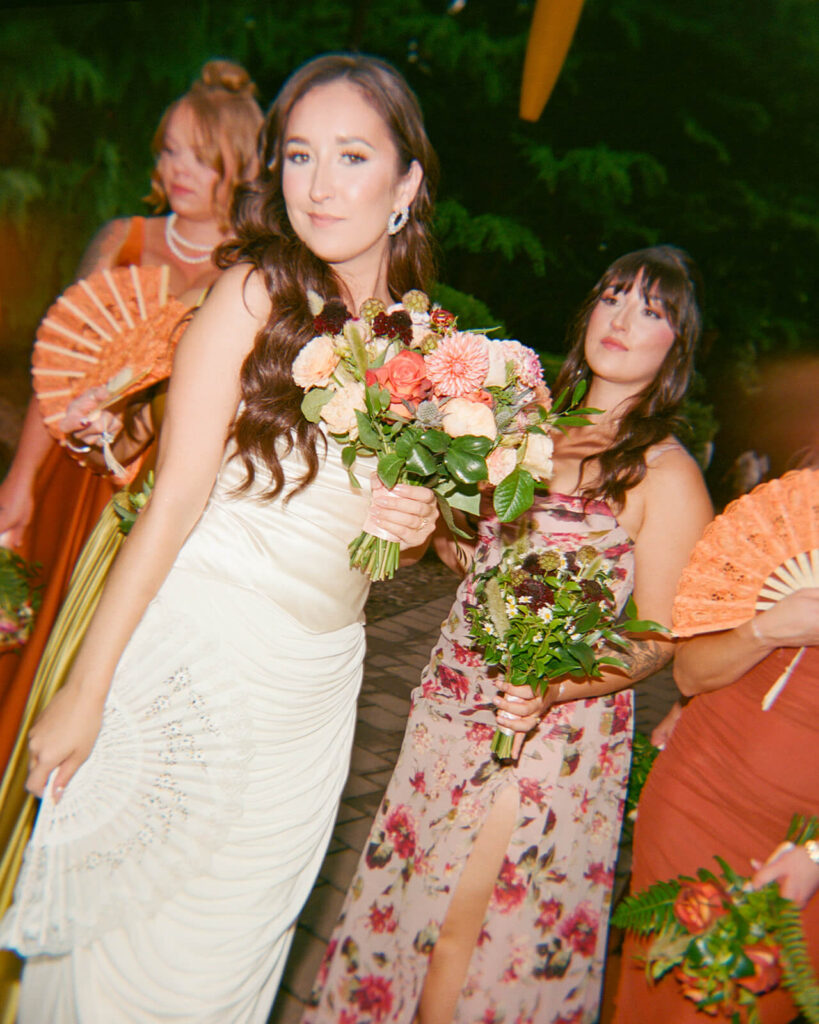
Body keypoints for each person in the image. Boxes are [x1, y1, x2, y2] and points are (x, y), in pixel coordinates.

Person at [0, 53, 440, 1023]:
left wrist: (408, 527)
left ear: (406, 182)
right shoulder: (250, 296)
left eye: (353, 156)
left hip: (314, 694)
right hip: (198, 656)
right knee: (127, 954)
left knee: (231, 962)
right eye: (298, 156)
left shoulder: (418, 343)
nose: (320, 186)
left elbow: (372, 535)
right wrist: (85, 687)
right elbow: (172, 499)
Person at [303, 245, 714, 1024]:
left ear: (675, 348)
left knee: (468, 925)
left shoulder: (664, 473)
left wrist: (556, 683)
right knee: (409, 901)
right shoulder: (521, 425)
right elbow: (468, 552)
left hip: (548, 731)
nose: (623, 319)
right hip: (448, 703)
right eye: (613, 296)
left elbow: (657, 639)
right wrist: (416, 503)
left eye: (651, 311)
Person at [0, 59, 264, 772]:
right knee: (30, 636)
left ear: (238, 166)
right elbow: (58, 369)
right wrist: (21, 481)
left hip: (156, 496)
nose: (178, 169)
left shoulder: (249, 276)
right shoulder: (123, 239)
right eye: (169, 149)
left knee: (109, 654)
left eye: (201, 157)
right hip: (73, 473)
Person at [612, 496, 819, 1023]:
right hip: (694, 796)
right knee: (648, 998)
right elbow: (690, 675)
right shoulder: (782, 531)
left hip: (798, 848)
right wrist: (769, 629)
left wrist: (814, 856)